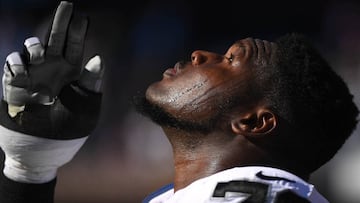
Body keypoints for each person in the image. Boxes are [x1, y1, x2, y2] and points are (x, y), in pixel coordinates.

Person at [0, 1, 358, 203]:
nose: (200, 55)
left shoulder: (257, 197)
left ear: (253, 122)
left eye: (231, 60)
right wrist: (28, 172)